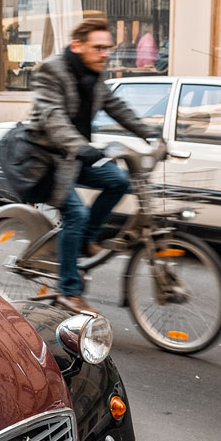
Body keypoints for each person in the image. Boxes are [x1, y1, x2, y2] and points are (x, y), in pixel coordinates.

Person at [29, 18, 154, 314]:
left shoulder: (95, 74)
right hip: (46, 158)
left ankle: (85, 240)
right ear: (78, 46)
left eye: (107, 48)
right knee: (76, 213)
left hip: (76, 155)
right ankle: (68, 292)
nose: (105, 53)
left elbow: (116, 107)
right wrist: (81, 147)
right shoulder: (52, 70)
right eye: (98, 47)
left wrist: (148, 132)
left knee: (118, 181)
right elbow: (52, 117)